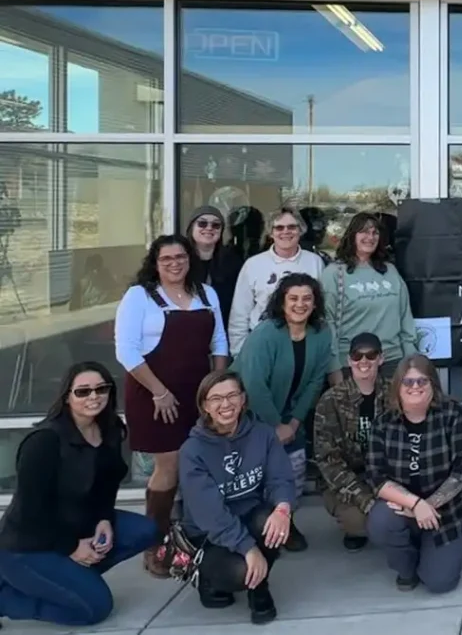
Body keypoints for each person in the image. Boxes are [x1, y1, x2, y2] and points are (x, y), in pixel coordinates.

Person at [0, 363, 158, 627]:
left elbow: (106, 487)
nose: (93, 396)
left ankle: (68, 579)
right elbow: (31, 513)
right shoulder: (44, 442)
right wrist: (71, 547)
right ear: (67, 397)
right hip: (27, 544)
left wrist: (104, 518)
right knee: (95, 609)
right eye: (83, 391)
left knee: (143, 530)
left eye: (101, 389)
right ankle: (7, 598)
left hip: (77, 524)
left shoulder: (109, 430)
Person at [114, 234, 229, 577]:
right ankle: (155, 544)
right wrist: (159, 392)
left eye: (180, 257)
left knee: (202, 462)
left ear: (190, 259)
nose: (174, 263)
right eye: (166, 259)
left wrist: (218, 387)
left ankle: (196, 535)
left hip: (199, 393)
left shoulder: (207, 294)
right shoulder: (140, 297)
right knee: (170, 466)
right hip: (154, 395)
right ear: (155, 262)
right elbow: (126, 350)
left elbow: (220, 340)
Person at [179, 370, 296, 625]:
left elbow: (281, 479)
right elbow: (211, 515)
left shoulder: (262, 433)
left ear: (243, 399)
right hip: (208, 535)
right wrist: (249, 548)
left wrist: (283, 509)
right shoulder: (193, 450)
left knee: (273, 520)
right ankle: (208, 582)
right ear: (204, 406)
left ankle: (259, 590)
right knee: (240, 571)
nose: (226, 404)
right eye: (216, 398)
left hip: (249, 516)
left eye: (232, 395)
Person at [234, 274, 335, 552]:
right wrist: (276, 426)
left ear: (315, 303)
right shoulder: (266, 333)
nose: (300, 304)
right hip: (250, 415)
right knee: (257, 476)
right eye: (293, 298)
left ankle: (284, 522)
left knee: (295, 472)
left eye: (307, 298)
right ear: (282, 301)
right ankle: (256, 528)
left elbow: (316, 381)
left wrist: (293, 422)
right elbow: (253, 385)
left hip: (291, 417)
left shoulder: (322, 333)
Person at [366, 355, 462, 593]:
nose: (415, 387)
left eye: (422, 381)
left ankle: (432, 553)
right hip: (405, 508)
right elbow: (376, 477)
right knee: (380, 520)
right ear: (397, 386)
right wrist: (416, 504)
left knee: (439, 583)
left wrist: (427, 505)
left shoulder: (453, 415)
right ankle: (407, 567)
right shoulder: (383, 423)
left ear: (433, 385)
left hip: (451, 513)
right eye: (408, 382)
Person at [313, 332, 390, 553]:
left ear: (381, 359)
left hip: (386, 476)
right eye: (357, 356)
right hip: (345, 479)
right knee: (361, 522)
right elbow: (328, 461)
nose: (363, 362)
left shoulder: (395, 394)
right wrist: (365, 499)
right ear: (349, 361)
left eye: (371, 355)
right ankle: (354, 528)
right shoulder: (331, 400)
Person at [322, 212, 418, 381]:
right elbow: (327, 322)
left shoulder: (390, 271)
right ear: (352, 235)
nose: (370, 237)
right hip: (354, 362)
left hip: (392, 361)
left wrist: (410, 359)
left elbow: (405, 317)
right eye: (364, 232)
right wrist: (333, 367)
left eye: (375, 233)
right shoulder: (334, 274)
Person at [228, 206, 324, 355]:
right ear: (271, 233)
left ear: (301, 230)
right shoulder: (253, 264)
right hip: (262, 344)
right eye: (279, 228)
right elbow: (239, 314)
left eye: (292, 227)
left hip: (304, 343)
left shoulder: (315, 262)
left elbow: (321, 309)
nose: (285, 232)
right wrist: (239, 353)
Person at [186, 205, 244, 327]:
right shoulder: (180, 260)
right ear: (191, 228)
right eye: (202, 224)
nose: (209, 228)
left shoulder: (232, 262)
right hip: (187, 327)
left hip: (223, 328)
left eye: (216, 225)